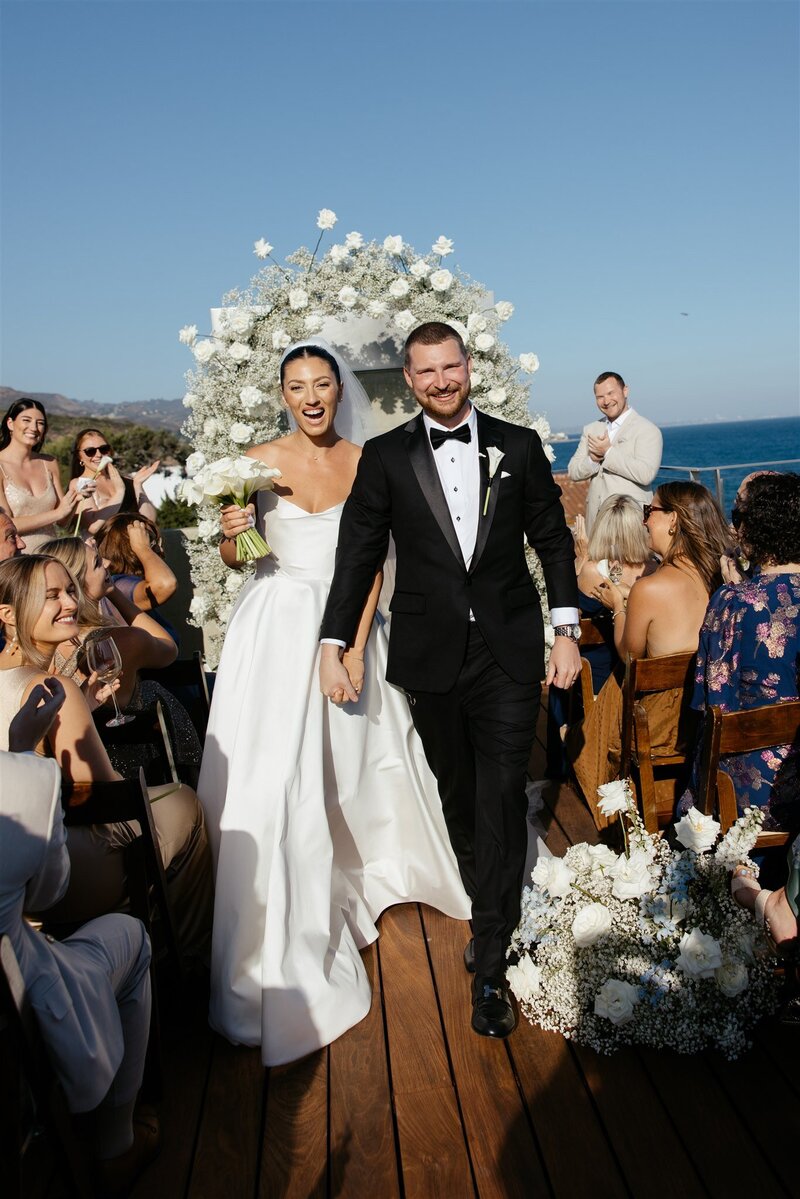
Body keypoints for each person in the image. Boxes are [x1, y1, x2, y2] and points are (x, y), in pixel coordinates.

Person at [198, 339, 471, 1067]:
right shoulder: (253, 464)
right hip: (274, 629)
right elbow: (243, 558)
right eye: (297, 386)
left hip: (346, 621)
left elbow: (374, 565)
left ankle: (371, 872)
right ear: (283, 394)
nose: (311, 396)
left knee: (358, 761)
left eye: (322, 383)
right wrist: (232, 536)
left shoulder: (365, 460)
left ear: (338, 390)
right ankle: (283, 907)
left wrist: (350, 648)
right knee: (277, 776)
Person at [319, 321, 580, 1040]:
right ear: (409, 378)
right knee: (459, 797)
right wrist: (334, 641)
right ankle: (490, 907)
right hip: (430, 656)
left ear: (469, 366)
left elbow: (553, 540)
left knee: (500, 794)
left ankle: (490, 961)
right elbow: (357, 554)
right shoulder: (385, 456)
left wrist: (566, 630)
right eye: (426, 371)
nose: (441, 381)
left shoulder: (517, 446)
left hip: (508, 651)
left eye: (451, 367)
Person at [0, 554, 212, 963]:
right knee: (186, 802)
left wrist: (83, 709)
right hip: (55, 878)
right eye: (51, 596)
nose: (70, 603)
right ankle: (186, 960)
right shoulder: (53, 687)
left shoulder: (37, 685)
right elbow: (110, 801)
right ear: (7, 614)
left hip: (11, 867)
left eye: (70, 591)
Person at [0, 678, 159, 1193]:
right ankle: (117, 1145)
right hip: (24, 1004)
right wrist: (22, 752)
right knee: (132, 935)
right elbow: (49, 892)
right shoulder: (18, 781)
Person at [570, 480, 729, 806]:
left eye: (650, 511)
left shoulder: (650, 588)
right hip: (704, 715)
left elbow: (629, 655)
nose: (644, 521)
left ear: (673, 520)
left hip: (657, 724)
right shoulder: (716, 577)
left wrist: (618, 607)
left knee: (590, 723)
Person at [681, 472, 800, 835]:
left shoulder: (733, 603)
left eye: (738, 519)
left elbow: (710, 700)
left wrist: (734, 595)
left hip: (757, 789)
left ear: (755, 529)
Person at [39, 535, 199, 778]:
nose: (107, 563)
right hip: (139, 771)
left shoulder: (40, 644)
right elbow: (168, 649)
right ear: (77, 583)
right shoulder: (120, 641)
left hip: (67, 770)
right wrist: (114, 593)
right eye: (97, 563)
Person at [547, 494, 657, 776]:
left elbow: (571, 604)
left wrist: (581, 560)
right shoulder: (653, 571)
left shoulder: (592, 571)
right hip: (642, 679)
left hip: (598, 679)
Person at [567, 372, 663, 531]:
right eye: (600, 397)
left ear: (625, 391)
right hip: (596, 523)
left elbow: (646, 474)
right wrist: (593, 460)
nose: (606, 401)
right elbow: (573, 471)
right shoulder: (591, 429)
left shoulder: (647, 429)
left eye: (611, 393)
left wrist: (607, 452)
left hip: (632, 523)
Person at [0, 398, 81, 550]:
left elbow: (63, 521)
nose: (34, 427)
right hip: (18, 559)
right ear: (10, 423)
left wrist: (75, 494)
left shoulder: (49, 463)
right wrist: (57, 513)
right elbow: (6, 524)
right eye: (26, 420)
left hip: (52, 556)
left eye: (40, 423)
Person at [97, 513, 178, 642]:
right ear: (129, 548)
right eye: (152, 542)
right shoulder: (118, 586)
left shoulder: (129, 586)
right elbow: (166, 584)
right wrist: (143, 548)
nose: (161, 550)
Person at [70, 428, 159, 537]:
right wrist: (119, 492)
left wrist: (137, 485)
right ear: (79, 456)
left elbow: (150, 520)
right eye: (90, 451)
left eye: (104, 449)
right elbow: (93, 527)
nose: (98, 455)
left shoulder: (125, 481)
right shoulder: (80, 484)